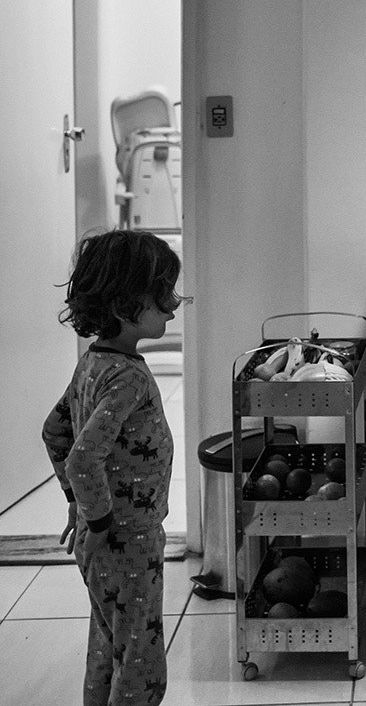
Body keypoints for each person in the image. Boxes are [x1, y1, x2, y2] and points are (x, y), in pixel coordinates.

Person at [42, 229, 186, 706]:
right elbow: (83, 457)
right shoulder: (127, 376)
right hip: (126, 540)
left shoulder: (95, 363)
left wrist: (77, 506)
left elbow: (55, 431)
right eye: (162, 294)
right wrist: (99, 519)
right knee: (144, 666)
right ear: (127, 304)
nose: (173, 305)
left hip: (104, 538)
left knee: (109, 646)